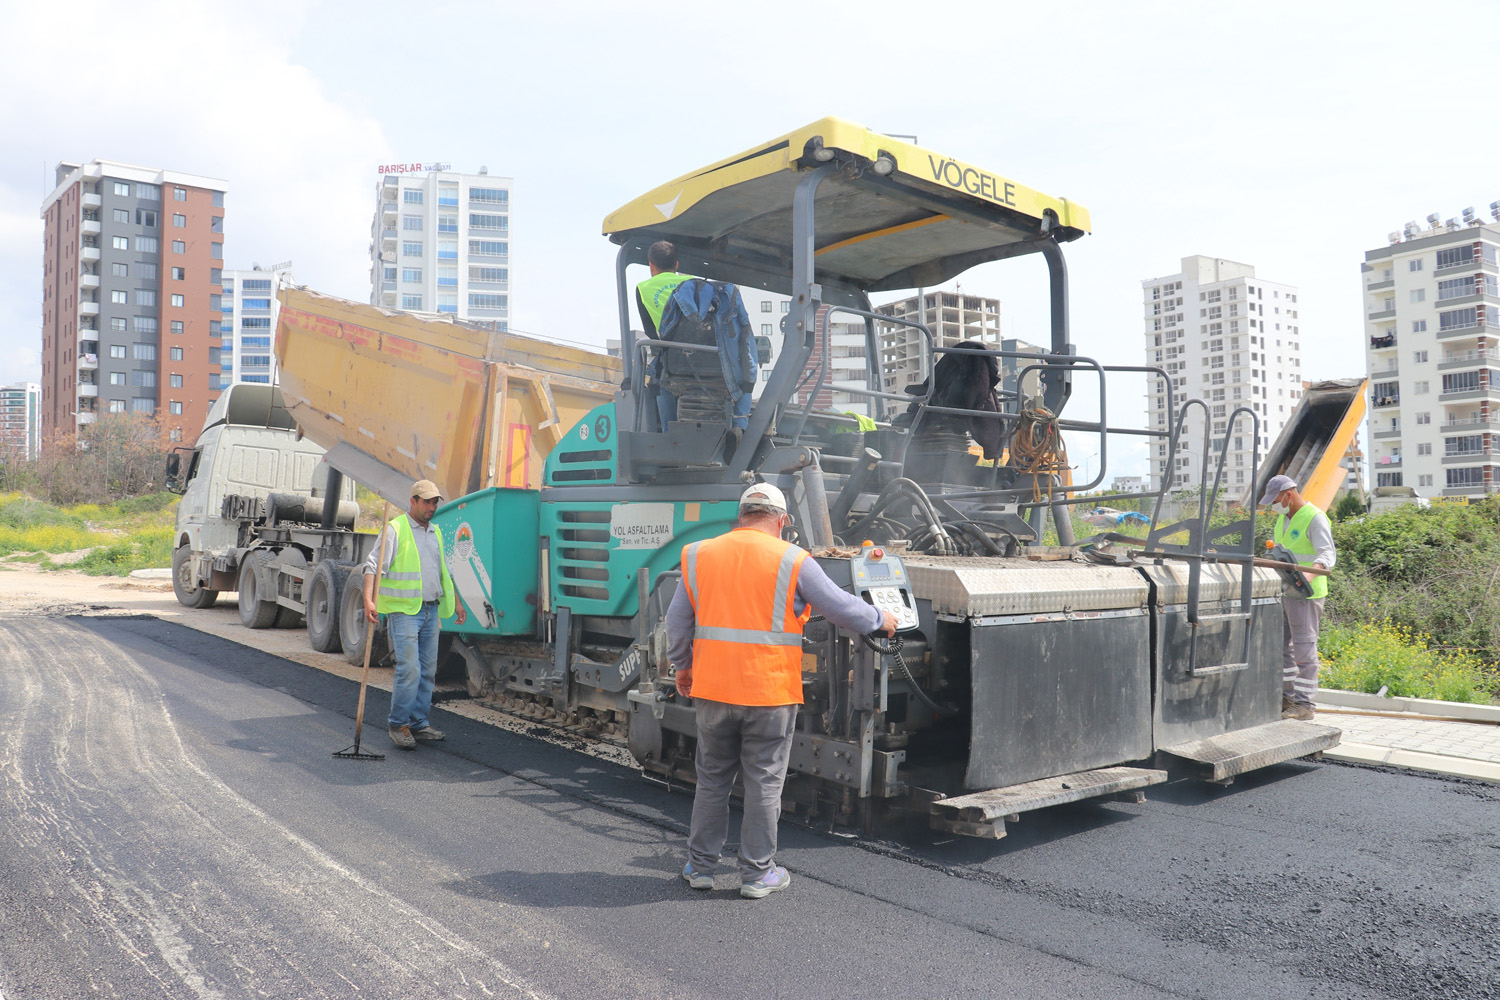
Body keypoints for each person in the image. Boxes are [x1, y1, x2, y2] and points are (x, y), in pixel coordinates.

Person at [667, 482, 897, 898]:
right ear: (783, 520)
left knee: (712, 780)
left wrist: (683, 668)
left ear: (741, 515)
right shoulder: (793, 559)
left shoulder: (698, 554)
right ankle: (756, 875)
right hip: (769, 693)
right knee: (763, 784)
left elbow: (677, 622)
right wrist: (880, 617)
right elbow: (838, 607)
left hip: (714, 689)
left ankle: (700, 868)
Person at [363, 479, 456, 750]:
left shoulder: (436, 532)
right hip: (404, 612)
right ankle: (398, 724)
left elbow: (445, 573)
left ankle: (418, 723)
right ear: (413, 501)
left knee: (428, 671)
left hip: (430, 609)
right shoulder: (395, 530)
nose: (432, 506)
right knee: (410, 669)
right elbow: (372, 566)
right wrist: (368, 600)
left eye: (435, 502)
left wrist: (457, 603)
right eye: (426, 501)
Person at [1258, 474, 1336, 721]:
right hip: (1286, 592)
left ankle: (1304, 706)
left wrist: (1308, 577)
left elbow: (1326, 555)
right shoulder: (1283, 520)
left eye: (1276, 499)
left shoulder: (1315, 518)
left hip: (1306, 595)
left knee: (1304, 649)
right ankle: (1288, 698)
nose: (1274, 505)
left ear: (1288, 495)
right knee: (1283, 647)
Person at [635, 240, 692, 339]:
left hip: (669, 349)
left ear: (651, 265)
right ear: (677, 264)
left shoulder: (643, 288)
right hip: (700, 345)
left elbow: (649, 330)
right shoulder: (692, 281)